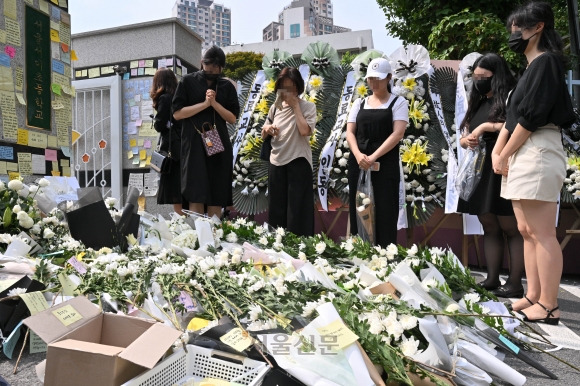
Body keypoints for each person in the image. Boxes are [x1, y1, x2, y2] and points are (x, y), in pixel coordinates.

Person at [492, 1, 575, 324]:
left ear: (538, 27)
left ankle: (550, 304)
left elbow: (531, 116)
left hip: (537, 147)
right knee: (526, 230)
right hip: (523, 149)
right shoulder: (530, 68)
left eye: (519, 28)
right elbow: (512, 118)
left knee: (541, 232)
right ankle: (533, 295)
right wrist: (499, 153)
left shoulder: (547, 63)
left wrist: (504, 151)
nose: (514, 34)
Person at [457, 53, 525, 298]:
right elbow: (466, 137)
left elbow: (516, 125)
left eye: (484, 77)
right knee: (489, 225)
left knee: (510, 227)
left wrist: (485, 127)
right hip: (481, 169)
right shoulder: (477, 100)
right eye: (475, 76)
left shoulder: (509, 97)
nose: (478, 81)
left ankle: (515, 282)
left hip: (503, 167)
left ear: (496, 76)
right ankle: (493, 278)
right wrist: (467, 140)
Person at [346, 58, 409, 247]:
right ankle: (360, 250)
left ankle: (384, 254)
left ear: (389, 78)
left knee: (384, 209)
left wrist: (373, 157)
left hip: (384, 164)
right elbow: (350, 132)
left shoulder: (399, 103)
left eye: (379, 79)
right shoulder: (359, 103)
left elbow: (397, 134)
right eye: (370, 79)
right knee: (359, 207)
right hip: (359, 163)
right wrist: (358, 155)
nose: (374, 83)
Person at [173, 46, 240, 219]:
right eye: (209, 69)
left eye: (217, 71)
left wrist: (215, 104)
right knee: (196, 190)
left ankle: (215, 239)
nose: (212, 74)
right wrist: (204, 104)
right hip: (194, 143)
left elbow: (232, 118)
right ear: (202, 63)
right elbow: (177, 113)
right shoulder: (187, 81)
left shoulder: (226, 86)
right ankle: (196, 237)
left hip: (218, 143)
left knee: (216, 192)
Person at [262, 68, 317, 236]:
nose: (288, 92)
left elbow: (304, 131)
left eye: (291, 87)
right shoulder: (275, 107)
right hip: (276, 161)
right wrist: (268, 128)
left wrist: (295, 107)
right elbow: (263, 131)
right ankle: (277, 245)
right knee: (277, 208)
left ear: (299, 87)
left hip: (298, 161)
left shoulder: (308, 106)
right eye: (284, 88)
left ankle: (299, 247)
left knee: (297, 209)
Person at [151, 68, 184, 215]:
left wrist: (156, 120)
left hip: (172, 152)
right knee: (183, 192)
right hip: (183, 147)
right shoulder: (180, 97)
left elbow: (159, 125)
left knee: (175, 194)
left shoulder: (164, 98)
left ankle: (182, 224)